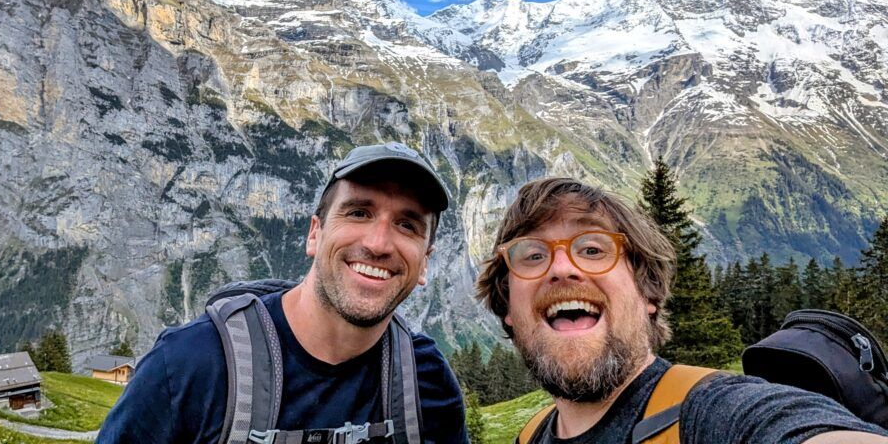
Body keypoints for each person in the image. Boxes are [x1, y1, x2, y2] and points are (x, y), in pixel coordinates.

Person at [98, 142, 468, 444]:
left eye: (407, 225)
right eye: (358, 213)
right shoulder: (188, 367)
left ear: (424, 263)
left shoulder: (426, 380)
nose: (378, 243)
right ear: (314, 234)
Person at [475, 177, 888, 444]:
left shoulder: (716, 414)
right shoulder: (530, 436)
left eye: (592, 250)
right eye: (531, 255)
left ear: (647, 294)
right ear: (508, 308)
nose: (563, 268)